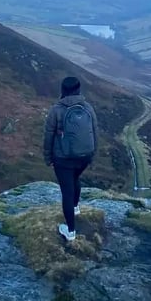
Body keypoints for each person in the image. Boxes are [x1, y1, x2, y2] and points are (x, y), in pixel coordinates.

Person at [43, 76, 98, 242]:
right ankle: (75, 208)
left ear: (63, 90)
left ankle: (71, 231)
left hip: (63, 158)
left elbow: (48, 136)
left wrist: (48, 157)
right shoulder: (88, 108)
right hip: (84, 157)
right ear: (78, 90)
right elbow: (95, 133)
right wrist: (92, 155)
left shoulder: (56, 110)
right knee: (75, 178)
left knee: (66, 191)